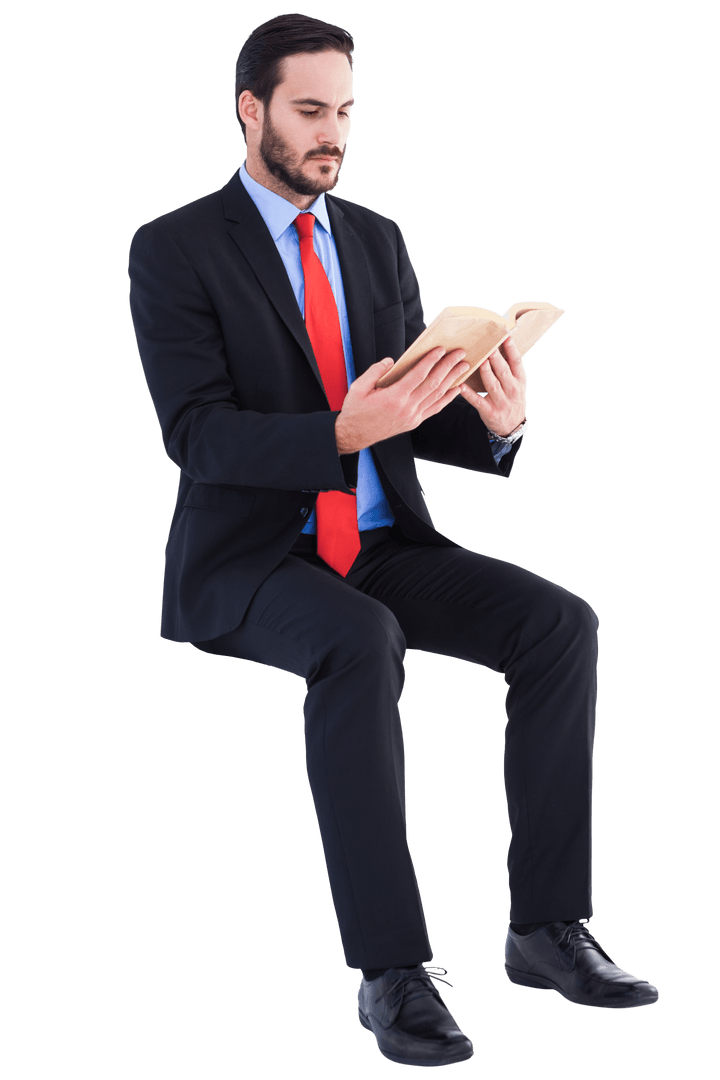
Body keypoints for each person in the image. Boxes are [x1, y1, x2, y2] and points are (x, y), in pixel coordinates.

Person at [127, 12, 659, 1068]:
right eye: (311, 112)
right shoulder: (173, 246)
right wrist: (335, 431)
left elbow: (417, 412)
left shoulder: (376, 237)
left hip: (377, 538)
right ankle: (391, 974)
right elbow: (193, 434)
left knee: (561, 623)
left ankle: (545, 932)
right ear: (252, 109)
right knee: (359, 640)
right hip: (253, 557)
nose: (334, 134)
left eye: (347, 113)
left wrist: (499, 419)